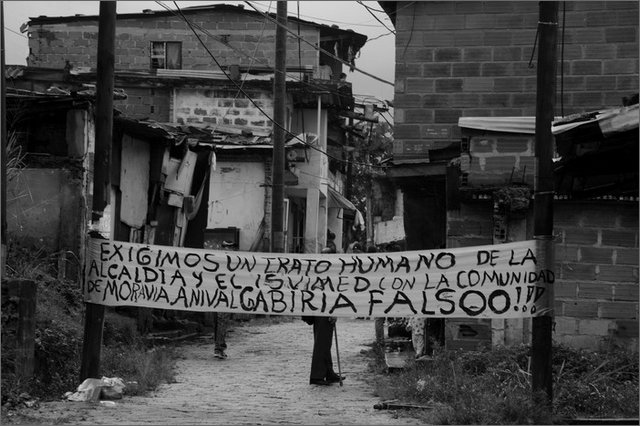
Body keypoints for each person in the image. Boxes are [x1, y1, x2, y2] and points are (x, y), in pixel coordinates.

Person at [302, 244, 345, 386]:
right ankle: (317, 375)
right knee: (322, 343)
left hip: (321, 309)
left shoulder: (320, 270)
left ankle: (328, 372)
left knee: (325, 342)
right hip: (321, 310)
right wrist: (332, 311)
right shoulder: (323, 272)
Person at [213, 240, 237, 359]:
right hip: (220, 296)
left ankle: (219, 347)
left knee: (221, 321)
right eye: (227, 247)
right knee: (221, 321)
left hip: (226, 295)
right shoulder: (219, 261)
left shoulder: (233, 262)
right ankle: (219, 348)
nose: (230, 249)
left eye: (231, 247)